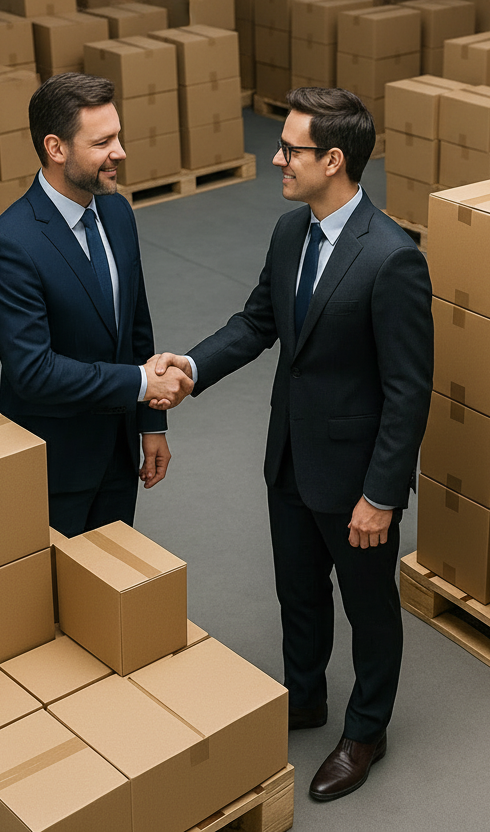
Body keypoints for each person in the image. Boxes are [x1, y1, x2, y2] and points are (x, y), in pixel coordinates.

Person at [151, 87, 433, 801]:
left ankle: (366, 729)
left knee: (368, 609)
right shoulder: (289, 233)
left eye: (291, 149)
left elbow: (407, 392)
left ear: (333, 160)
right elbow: (256, 322)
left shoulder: (392, 258)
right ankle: (304, 699)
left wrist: (380, 496)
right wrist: (191, 366)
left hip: (355, 480)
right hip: (289, 459)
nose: (274, 157)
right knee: (298, 592)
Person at [0, 73, 192, 538]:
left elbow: (136, 329)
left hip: (118, 457)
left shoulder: (116, 211)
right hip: (56, 467)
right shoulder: (9, 246)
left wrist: (152, 422)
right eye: (103, 142)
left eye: (119, 135)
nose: (120, 152)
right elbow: (33, 372)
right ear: (56, 149)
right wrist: (139, 383)